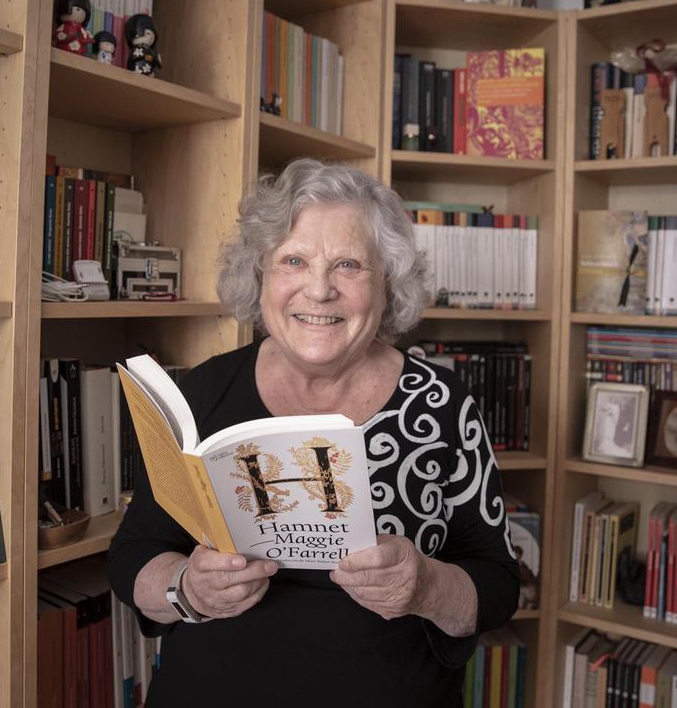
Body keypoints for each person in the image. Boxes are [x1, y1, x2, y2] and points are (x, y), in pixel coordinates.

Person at [108, 159, 519, 707]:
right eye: (294, 261)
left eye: (349, 264)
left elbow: (498, 586)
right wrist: (187, 588)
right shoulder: (203, 392)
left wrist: (426, 587)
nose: (319, 290)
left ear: (388, 283)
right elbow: (133, 555)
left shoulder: (444, 407)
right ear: (260, 277)